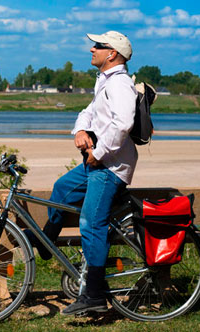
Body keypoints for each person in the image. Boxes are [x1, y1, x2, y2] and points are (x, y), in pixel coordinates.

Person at [25, 31, 138, 316]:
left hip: (109, 167)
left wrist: (97, 154)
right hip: (96, 162)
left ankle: (94, 295)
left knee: (91, 223)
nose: (92, 48)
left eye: (98, 46)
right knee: (62, 187)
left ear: (111, 53)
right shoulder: (105, 81)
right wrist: (81, 130)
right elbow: (89, 111)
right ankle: (45, 242)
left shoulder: (121, 84)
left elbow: (124, 123)